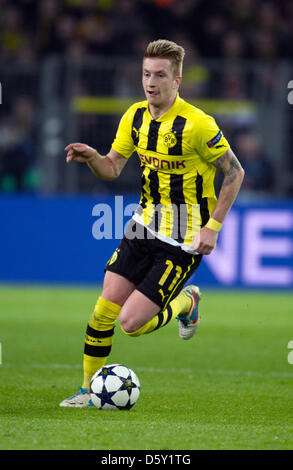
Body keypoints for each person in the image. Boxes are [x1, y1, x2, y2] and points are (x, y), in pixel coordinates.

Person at [59, 39, 244, 407]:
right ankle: (85, 390)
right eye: (146, 74)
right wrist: (95, 157)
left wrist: (214, 228)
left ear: (178, 80)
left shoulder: (197, 125)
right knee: (103, 309)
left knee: (132, 324)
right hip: (142, 226)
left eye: (160, 75)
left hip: (183, 240)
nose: (151, 82)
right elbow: (112, 168)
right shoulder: (134, 116)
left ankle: (186, 303)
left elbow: (235, 173)